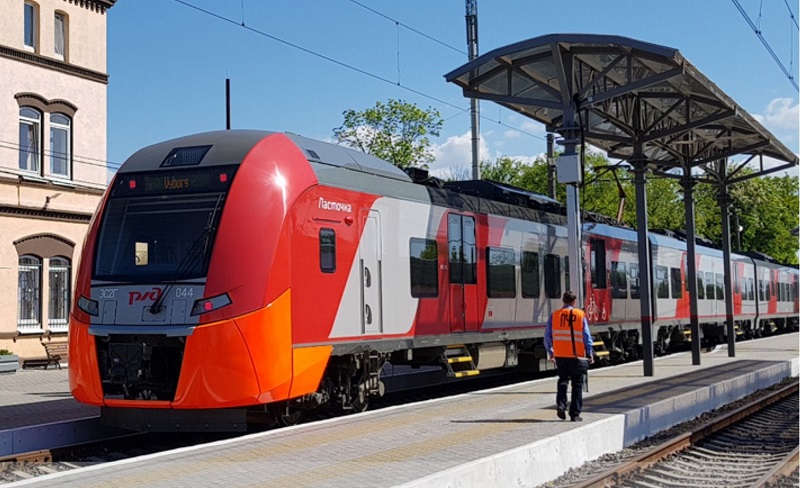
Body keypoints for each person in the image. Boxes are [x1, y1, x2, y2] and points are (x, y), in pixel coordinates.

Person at [544, 290, 594, 421]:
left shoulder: (554, 315)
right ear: (574, 301)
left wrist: (551, 352)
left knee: (563, 380)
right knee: (577, 384)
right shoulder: (580, 315)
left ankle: (561, 405)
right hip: (576, 356)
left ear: (563, 300)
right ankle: (575, 414)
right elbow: (586, 336)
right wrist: (590, 352)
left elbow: (547, 337)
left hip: (560, 355)